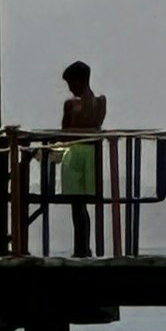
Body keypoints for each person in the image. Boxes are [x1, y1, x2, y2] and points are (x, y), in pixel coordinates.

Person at [57, 59, 108, 258]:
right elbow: (97, 125)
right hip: (92, 153)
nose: (70, 89)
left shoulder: (71, 105)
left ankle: (81, 248)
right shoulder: (100, 102)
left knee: (77, 206)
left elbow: (64, 131)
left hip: (75, 154)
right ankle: (84, 247)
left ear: (78, 81)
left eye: (70, 84)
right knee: (84, 205)